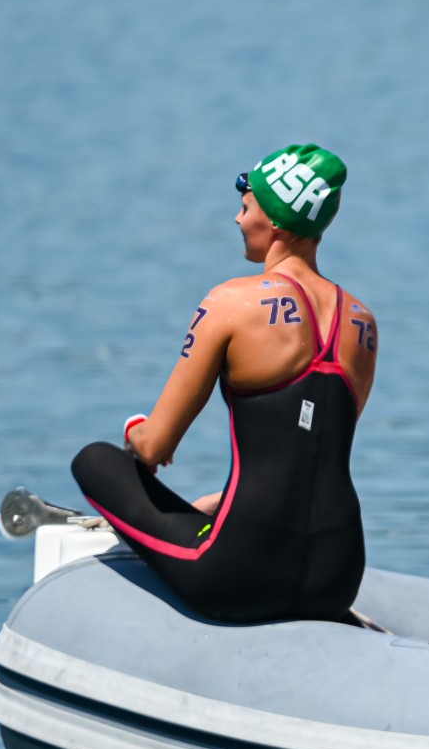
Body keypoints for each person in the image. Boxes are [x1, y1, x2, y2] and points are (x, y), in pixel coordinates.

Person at [72, 144, 376, 624]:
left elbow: (154, 447)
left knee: (94, 459)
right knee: (222, 507)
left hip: (240, 575)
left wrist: (135, 431)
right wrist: (221, 503)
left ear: (275, 220)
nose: (237, 219)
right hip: (336, 576)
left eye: (246, 206)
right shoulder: (363, 322)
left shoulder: (230, 302)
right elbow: (307, 455)